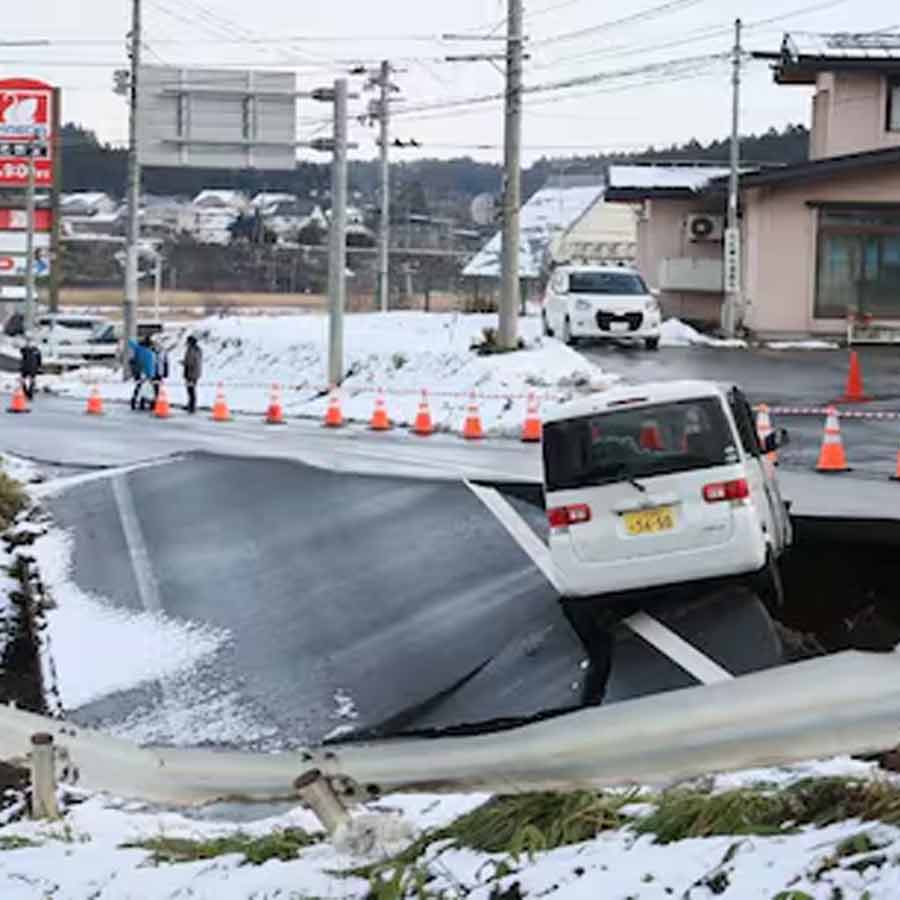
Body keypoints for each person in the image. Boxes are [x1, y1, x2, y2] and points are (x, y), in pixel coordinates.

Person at [128, 335, 157, 411]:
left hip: (138, 372)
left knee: (138, 387)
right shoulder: (149, 354)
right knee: (148, 389)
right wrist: (151, 376)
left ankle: (134, 401)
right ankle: (147, 403)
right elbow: (149, 366)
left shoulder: (138, 349)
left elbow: (132, 344)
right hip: (146, 374)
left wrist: (129, 338)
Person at [181, 335, 202, 414]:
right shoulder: (197, 349)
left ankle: (192, 406)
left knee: (190, 390)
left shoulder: (191, 350)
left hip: (190, 373)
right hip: (195, 372)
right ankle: (191, 404)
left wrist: (184, 363)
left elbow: (190, 362)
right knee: (191, 389)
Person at [152, 337, 170, 405]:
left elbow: (166, 362)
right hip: (152, 371)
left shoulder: (163, 351)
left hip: (159, 372)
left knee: (158, 387)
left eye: (157, 344)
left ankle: (157, 401)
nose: (156, 346)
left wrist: (166, 372)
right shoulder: (151, 351)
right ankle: (154, 401)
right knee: (153, 387)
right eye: (155, 344)